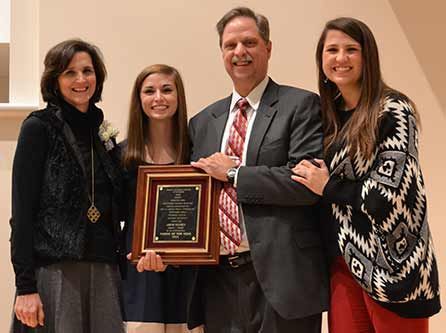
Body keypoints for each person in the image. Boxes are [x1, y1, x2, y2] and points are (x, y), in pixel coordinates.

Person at [141, 7, 329, 333]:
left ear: (268, 48)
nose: (239, 52)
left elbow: (304, 185)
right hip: (218, 281)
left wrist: (234, 174)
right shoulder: (202, 123)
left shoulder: (300, 105)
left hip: (281, 279)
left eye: (249, 42)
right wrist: (167, 247)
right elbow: (192, 200)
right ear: (222, 53)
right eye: (230, 45)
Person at [291, 17, 441, 333]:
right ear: (321, 59)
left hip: (395, 270)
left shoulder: (394, 110)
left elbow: (390, 194)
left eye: (351, 49)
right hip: (342, 267)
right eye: (332, 50)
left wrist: (328, 186)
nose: (340, 58)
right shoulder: (326, 116)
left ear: (367, 56)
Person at [10, 39, 125, 333]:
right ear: (54, 79)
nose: (81, 80)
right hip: (56, 270)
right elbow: (21, 214)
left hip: (104, 270)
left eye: (87, 71)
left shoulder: (102, 133)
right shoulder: (38, 127)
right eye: (69, 72)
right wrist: (25, 288)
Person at [120, 64, 202, 333]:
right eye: (149, 91)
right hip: (139, 274)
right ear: (138, 99)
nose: (158, 98)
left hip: (189, 277)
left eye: (167, 90)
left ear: (179, 97)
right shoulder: (121, 157)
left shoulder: (198, 154)